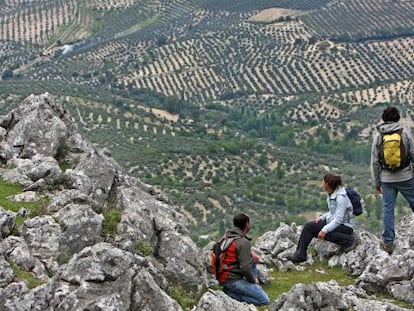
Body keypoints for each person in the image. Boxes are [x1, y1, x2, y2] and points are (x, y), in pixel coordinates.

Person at [371, 106, 414, 254]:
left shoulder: (378, 136)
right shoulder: (405, 133)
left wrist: (377, 183)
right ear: (397, 118)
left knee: (388, 209)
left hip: (386, 179)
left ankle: (388, 242)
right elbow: (413, 154)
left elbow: (375, 162)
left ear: (383, 118)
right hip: (406, 177)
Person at [286, 174, 357, 263]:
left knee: (323, 233)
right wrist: (321, 218)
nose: (321, 185)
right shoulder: (332, 194)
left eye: (323, 183)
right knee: (309, 226)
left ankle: (348, 240)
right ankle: (300, 254)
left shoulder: (341, 198)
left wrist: (324, 230)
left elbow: (339, 219)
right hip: (334, 222)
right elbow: (332, 212)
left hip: (345, 226)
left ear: (327, 184)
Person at [219, 213, 270, 306]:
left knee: (252, 261)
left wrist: (250, 254)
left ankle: (250, 288)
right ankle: (230, 295)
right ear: (247, 224)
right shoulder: (243, 242)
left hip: (223, 276)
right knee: (264, 300)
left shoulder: (227, 236)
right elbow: (245, 268)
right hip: (232, 280)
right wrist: (253, 279)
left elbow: (232, 251)